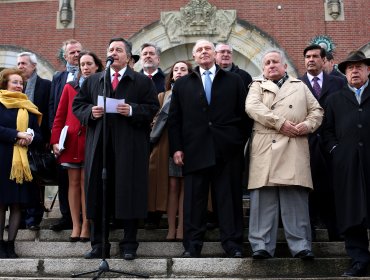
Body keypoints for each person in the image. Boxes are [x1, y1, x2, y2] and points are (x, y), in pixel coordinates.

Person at [72, 37, 159, 260]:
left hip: (129, 147)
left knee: (129, 192)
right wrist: (91, 112)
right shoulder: (94, 81)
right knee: (99, 193)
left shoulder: (141, 81)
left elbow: (151, 108)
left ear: (128, 57)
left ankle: (129, 244)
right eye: (111, 50)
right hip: (100, 147)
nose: (114, 53)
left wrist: (131, 110)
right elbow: (78, 106)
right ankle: (99, 245)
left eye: (119, 50)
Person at [168, 39, 251, 258]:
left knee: (229, 199)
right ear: (194, 57)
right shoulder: (183, 84)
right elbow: (174, 120)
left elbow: (245, 116)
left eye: (208, 49)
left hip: (227, 151)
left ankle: (232, 244)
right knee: (194, 201)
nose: (204, 52)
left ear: (215, 54)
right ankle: (192, 245)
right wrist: (176, 148)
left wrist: (237, 141)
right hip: (194, 151)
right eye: (199, 50)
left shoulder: (234, 80)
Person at [245, 49, 323, 260]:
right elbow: (252, 108)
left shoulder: (300, 86)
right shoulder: (257, 86)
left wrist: (307, 125)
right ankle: (261, 246)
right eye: (267, 63)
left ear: (285, 66)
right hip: (265, 147)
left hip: (294, 145)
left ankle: (301, 246)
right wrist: (280, 123)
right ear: (263, 69)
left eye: (275, 62)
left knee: (295, 199)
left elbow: (317, 111)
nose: (271, 65)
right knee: (263, 199)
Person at [322, 51, 370, 277]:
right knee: (351, 211)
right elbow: (327, 131)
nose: (355, 71)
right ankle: (359, 259)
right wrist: (335, 150)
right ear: (345, 73)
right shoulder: (334, 99)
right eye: (350, 68)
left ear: (368, 70)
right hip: (347, 164)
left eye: (359, 66)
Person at [50, 51, 103, 243]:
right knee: (73, 184)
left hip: (92, 140)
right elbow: (59, 115)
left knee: (86, 184)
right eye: (82, 64)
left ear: (97, 66)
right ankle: (76, 225)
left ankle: (87, 225)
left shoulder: (103, 85)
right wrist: (55, 140)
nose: (86, 67)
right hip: (71, 141)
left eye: (89, 64)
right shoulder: (69, 87)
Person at [299, 44, 345, 241]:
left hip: (331, 144)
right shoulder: (296, 84)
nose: (311, 59)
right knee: (308, 189)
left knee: (333, 188)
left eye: (315, 56)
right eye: (308, 56)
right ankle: (311, 233)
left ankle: (336, 232)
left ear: (324, 60)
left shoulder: (338, 83)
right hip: (305, 144)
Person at [148, 60, 193, 241]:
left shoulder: (194, 93)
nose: (180, 72)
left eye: (184, 69)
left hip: (189, 144)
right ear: (172, 75)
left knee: (184, 187)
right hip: (167, 145)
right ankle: (171, 228)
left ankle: (182, 227)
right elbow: (154, 121)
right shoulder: (162, 96)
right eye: (176, 69)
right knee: (173, 186)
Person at [0, 68, 42, 258]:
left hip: (21, 163)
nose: (19, 85)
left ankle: (10, 245)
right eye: (14, 82)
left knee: (17, 205)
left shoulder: (28, 106)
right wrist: (17, 134)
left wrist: (31, 137)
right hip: (2, 160)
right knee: (0, 205)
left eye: (21, 83)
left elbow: (40, 135)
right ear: (4, 84)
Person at [49, 39, 82, 231]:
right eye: (72, 52)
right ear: (65, 56)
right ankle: (66, 216)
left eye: (79, 51)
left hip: (83, 134)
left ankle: (83, 217)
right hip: (63, 137)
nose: (76, 55)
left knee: (82, 178)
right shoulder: (58, 77)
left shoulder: (89, 74)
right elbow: (53, 107)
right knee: (64, 178)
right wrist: (53, 138)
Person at [17, 52, 52, 231]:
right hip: (15, 142)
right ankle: (20, 217)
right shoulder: (15, 88)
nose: (20, 66)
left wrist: (48, 137)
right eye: (18, 63)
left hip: (38, 141)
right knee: (18, 180)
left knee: (34, 178)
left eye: (24, 63)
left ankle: (33, 217)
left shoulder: (46, 85)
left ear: (33, 66)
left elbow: (49, 111)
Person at [139, 42, 166, 229]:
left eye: (151, 54)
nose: (148, 56)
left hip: (160, 136)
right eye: (145, 54)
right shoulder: (133, 79)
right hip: (136, 132)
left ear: (158, 58)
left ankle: (153, 214)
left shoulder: (165, 81)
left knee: (155, 175)